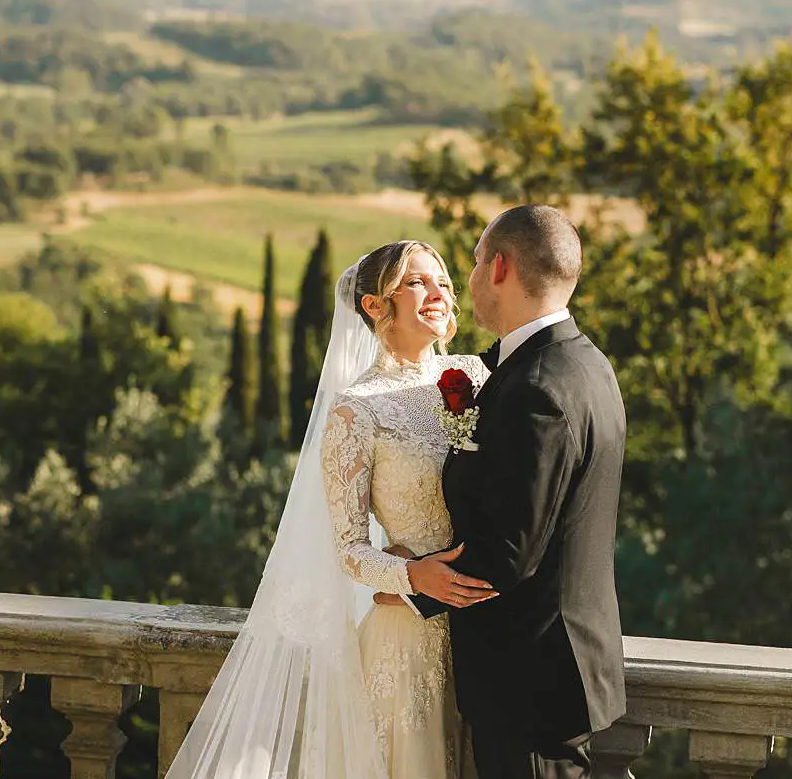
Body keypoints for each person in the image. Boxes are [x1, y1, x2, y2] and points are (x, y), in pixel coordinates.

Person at [164, 239, 493, 779]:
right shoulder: (356, 412)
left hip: (485, 626)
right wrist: (412, 574)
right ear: (373, 305)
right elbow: (350, 551)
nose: (439, 294)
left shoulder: (475, 379)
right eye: (417, 282)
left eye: (445, 284)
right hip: (405, 640)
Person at [411, 205, 628, 779]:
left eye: (477, 262)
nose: (471, 279)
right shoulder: (586, 364)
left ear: (500, 267)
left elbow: (509, 554)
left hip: (527, 687)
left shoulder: (536, 389)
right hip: (560, 672)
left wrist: (408, 587)